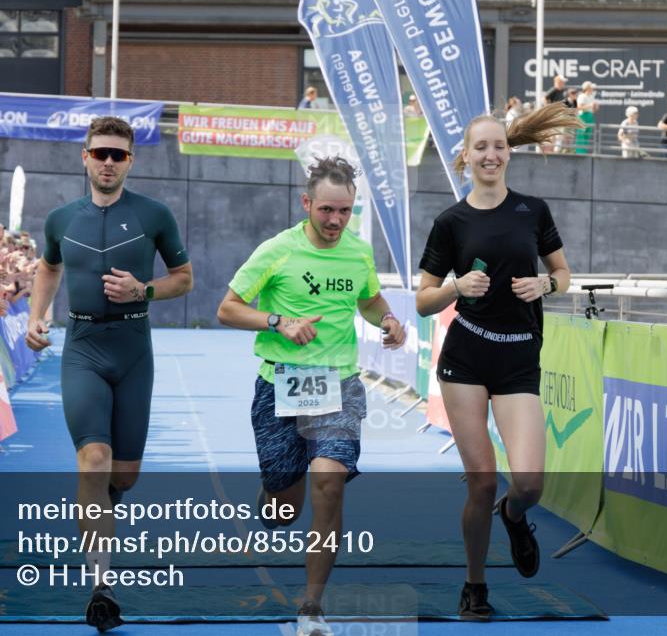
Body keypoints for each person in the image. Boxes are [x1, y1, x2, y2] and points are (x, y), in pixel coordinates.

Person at [216, 156, 405, 636]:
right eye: (326, 210)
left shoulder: (358, 253)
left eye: (344, 211)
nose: (336, 221)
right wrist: (280, 321)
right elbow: (228, 309)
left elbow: (367, 297)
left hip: (339, 384)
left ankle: (312, 606)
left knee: (329, 483)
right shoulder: (277, 251)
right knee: (285, 509)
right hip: (281, 383)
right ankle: (273, 491)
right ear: (307, 204)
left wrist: (386, 319)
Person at [24, 116, 193, 633]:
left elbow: (184, 280)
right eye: (100, 153)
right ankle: (101, 587)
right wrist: (37, 316)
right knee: (92, 458)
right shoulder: (60, 219)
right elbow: (48, 268)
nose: (108, 162)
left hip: (134, 348)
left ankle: (101, 500)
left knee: (123, 475)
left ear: (130, 161)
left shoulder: (154, 214)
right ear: (85, 157)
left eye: (118, 155)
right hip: (83, 347)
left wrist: (144, 290)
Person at [415, 102, 577, 620]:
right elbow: (422, 299)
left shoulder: (534, 210)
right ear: (466, 156)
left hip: (517, 359)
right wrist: (455, 287)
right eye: (480, 147)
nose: (490, 154)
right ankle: (475, 583)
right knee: (482, 479)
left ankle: (513, 515)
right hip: (466, 355)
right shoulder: (451, 221)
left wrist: (544, 284)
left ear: (509, 153)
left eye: (498, 146)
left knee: (528, 483)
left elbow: (564, 274)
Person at [574, 81, 598, 154]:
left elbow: (593, 110)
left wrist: (595, 107)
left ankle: (583, 152)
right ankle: (579, 152)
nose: (592, 89)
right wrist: (590, 106)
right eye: (591, 88)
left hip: (589, 116)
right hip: (583, 116)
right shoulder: (582, 96)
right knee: (581, 135)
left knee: (587, 135)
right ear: (587, 88)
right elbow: (579, 107)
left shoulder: (591, 97)